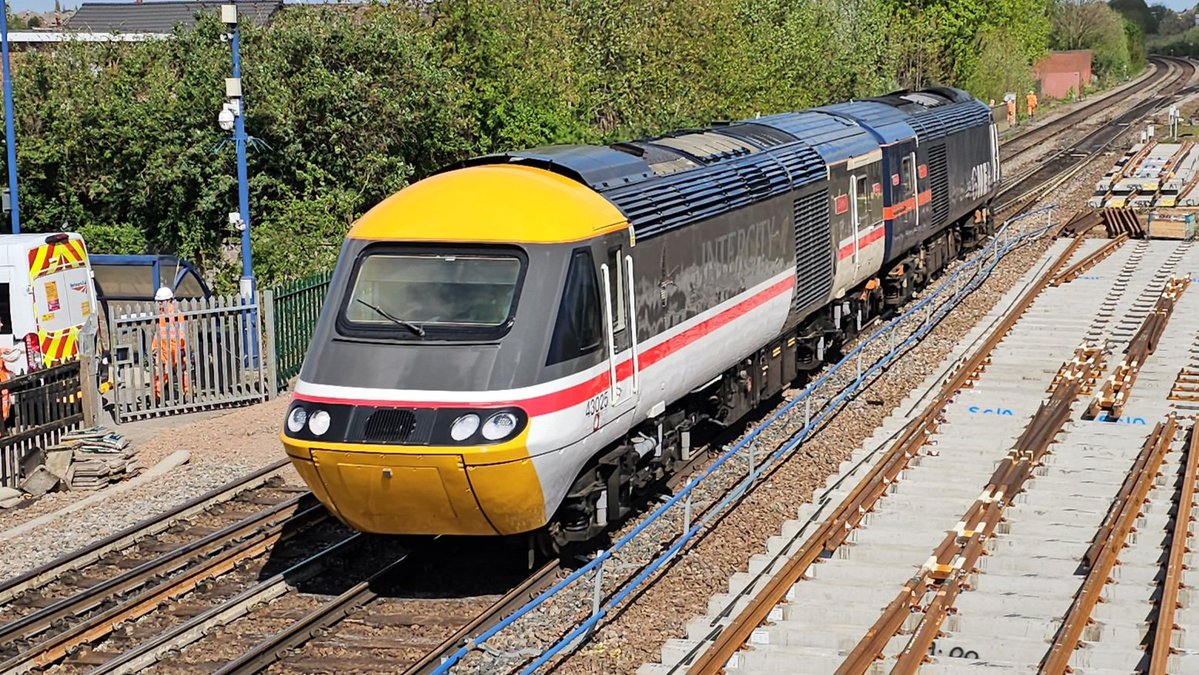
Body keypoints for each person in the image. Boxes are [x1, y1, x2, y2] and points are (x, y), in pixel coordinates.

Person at [151, 286, 189, 399]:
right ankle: (156, 396)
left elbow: (182, 332)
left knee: (182, 372)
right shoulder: (161, 315)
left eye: (161, 302)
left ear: (169, 300)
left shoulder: (176, 314)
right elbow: (158, 334)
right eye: (159, 302)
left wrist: (182, 348)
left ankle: (187, 392)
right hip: (164, 349)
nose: (160, 304)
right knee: (162, 373)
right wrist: (154, 347)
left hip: (175, 348)